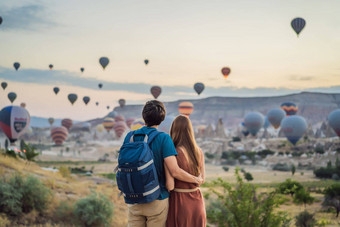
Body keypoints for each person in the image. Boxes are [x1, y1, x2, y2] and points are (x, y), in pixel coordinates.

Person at [125, 100, 202, 227]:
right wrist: (196, 179)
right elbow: (175, 171)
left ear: (144, 116)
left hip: (134, 199)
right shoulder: (164, 138)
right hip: (157, 198)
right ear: (162, 118)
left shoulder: (130, 136)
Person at [166, 115, 206, 227]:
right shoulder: (199, 152)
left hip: (180, 201)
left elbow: (170, 186)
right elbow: (202, 179)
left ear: (174, 130)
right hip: (197, 201)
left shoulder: (172, 153)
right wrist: (195, 179)